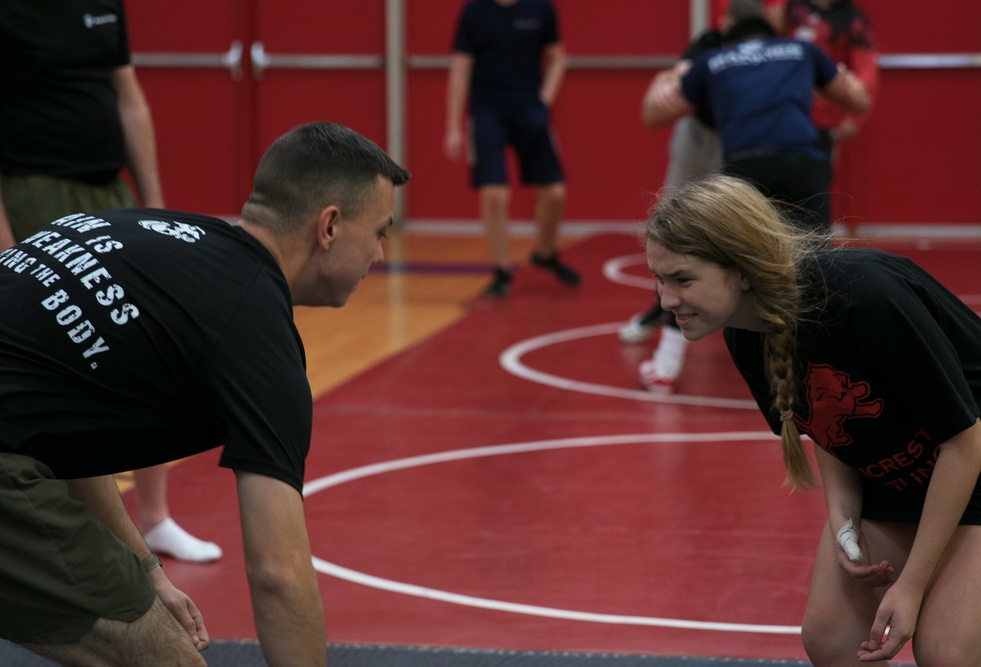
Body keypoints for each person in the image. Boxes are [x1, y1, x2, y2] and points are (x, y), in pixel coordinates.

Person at [0, 121, 411, 666]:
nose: (380, 254)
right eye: (379, 231)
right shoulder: (254, 333)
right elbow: (278, 574)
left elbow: (59, 429)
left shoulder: (157, 241)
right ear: (329, 226)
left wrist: (147, 572)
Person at [643, 173, 981, 665]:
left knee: (948, 653)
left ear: (743, 269)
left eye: (682, 280)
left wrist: (912, 586)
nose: (666, 301)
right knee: (832, 642)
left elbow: (967, 443)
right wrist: (843, 517)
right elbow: (828, 427)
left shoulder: (863, 296)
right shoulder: (745, 334)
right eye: (658, 279)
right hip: (903, 475)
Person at [0, 0, 221, 563]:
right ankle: (56, 533)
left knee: (144, 338)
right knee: (56, 359)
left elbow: (130, 100)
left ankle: (154, 517)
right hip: (33, 188)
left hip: (108, 189)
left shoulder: (103, 4)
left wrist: (157, 208)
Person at [620, 0, 764, 393]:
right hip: (701, 133)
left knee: (728, 237)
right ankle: (658, 316)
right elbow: (668, 88)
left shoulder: (771, 47)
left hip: (743, 138)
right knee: (673, 229)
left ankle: (759, 340)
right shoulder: (709, 45)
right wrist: (663, 82)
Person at [641, 11, 870, 231]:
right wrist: (844, 79)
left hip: (745, 163)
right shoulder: (802, 49)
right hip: (801, 160)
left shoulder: (713, 59)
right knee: (816, 254)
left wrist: (663, 79)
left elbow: (653, 116)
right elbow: (858, 101)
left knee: (747, 255)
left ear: (728, 41)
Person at [444, 0, 580, 297]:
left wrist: (544, 99)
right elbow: (460, 67)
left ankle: (545, 253)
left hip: (529, 107)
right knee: (494, 193)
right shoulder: (474, 11)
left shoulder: (540, 8)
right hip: (487, 110)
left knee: (555, 192)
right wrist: (453, 126)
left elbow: (558, 57)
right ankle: (501, 271)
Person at [770, 0, 879, 169]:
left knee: (816, 181)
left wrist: (855, 117)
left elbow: (865, 69)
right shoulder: (791, 9)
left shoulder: (852, 19)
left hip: (825, 117)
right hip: (785, 112)